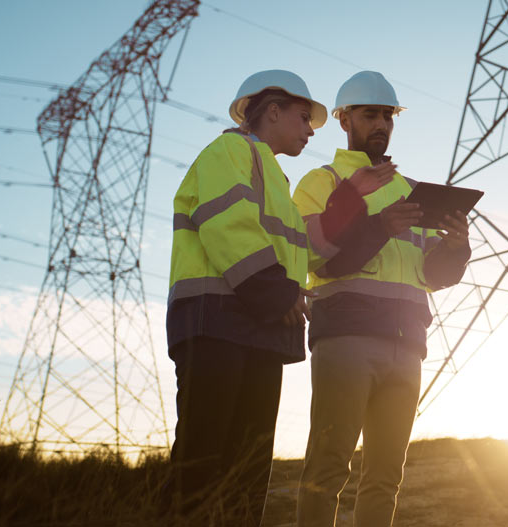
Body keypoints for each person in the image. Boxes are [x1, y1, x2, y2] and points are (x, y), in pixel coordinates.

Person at [293, 71, 472, 527]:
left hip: (407, 345)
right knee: (328, 467)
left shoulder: (411, 190)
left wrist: (456, 248)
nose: (381, 124)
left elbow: (432, 274)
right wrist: (379, 227)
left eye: (387, 116)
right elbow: (315, 257)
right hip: (346, 341)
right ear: (344, 121)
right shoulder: (321, 182)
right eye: (370, 114)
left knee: (387, 477)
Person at [164, 69, 326, 526]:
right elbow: (228, 224)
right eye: (303, 116)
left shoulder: (274, 177)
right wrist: (279, 293)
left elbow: (298, 255)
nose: (311, 129)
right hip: (216, 323)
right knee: (203, 463)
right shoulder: (228, 151)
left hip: (259, 327)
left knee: (248, 470)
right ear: (271, 111)